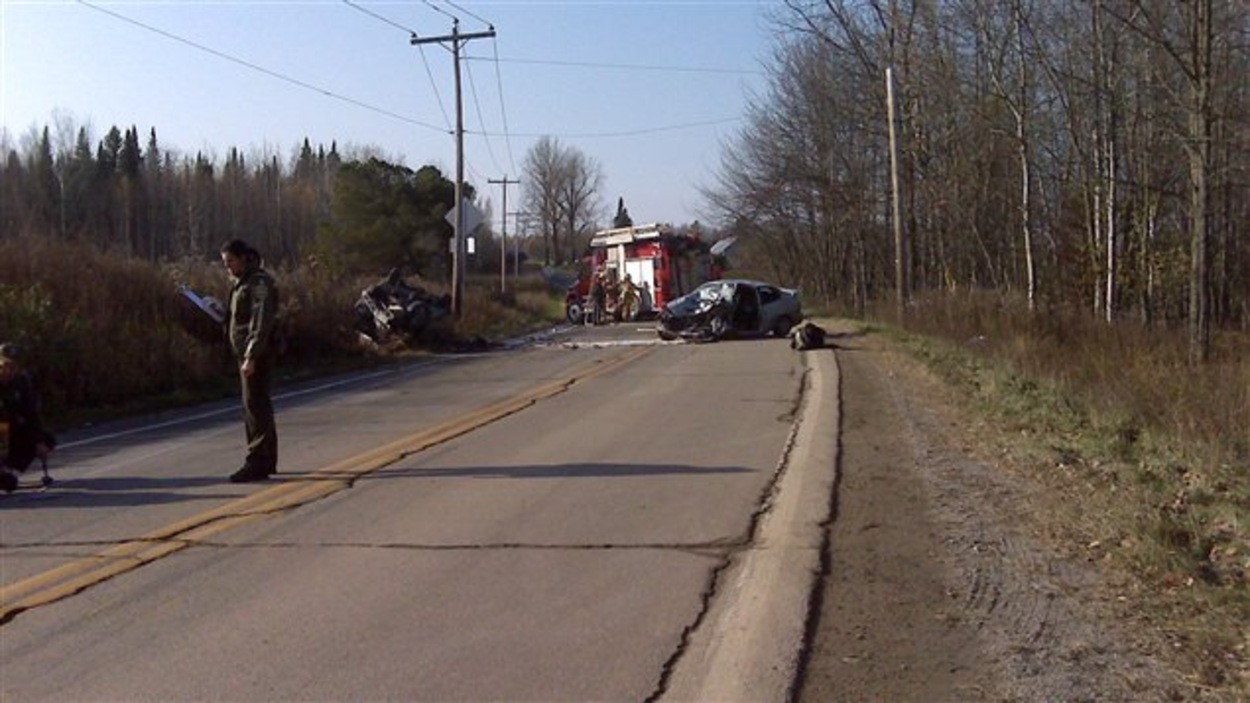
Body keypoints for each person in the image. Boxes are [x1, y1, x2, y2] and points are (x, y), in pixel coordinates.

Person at [220, 239, 280, 482]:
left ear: (243, 257)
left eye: (230, 262)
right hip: (246, 352)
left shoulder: (258, 283)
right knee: (257, 405)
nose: (228, 268)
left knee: (255, 407)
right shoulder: (241, 283)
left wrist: (251, 355)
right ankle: (267, 459)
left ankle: (258, 461)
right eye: (225, 263)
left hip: (256, 354)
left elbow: (261, 319)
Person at [0, 343, 55, 493]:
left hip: (10, 427)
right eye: (5, 365)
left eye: (13, 366)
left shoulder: (21, 382)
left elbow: (31, 412)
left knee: (46, 439)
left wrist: (39, 441)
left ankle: (10, 470)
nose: (8, 370)